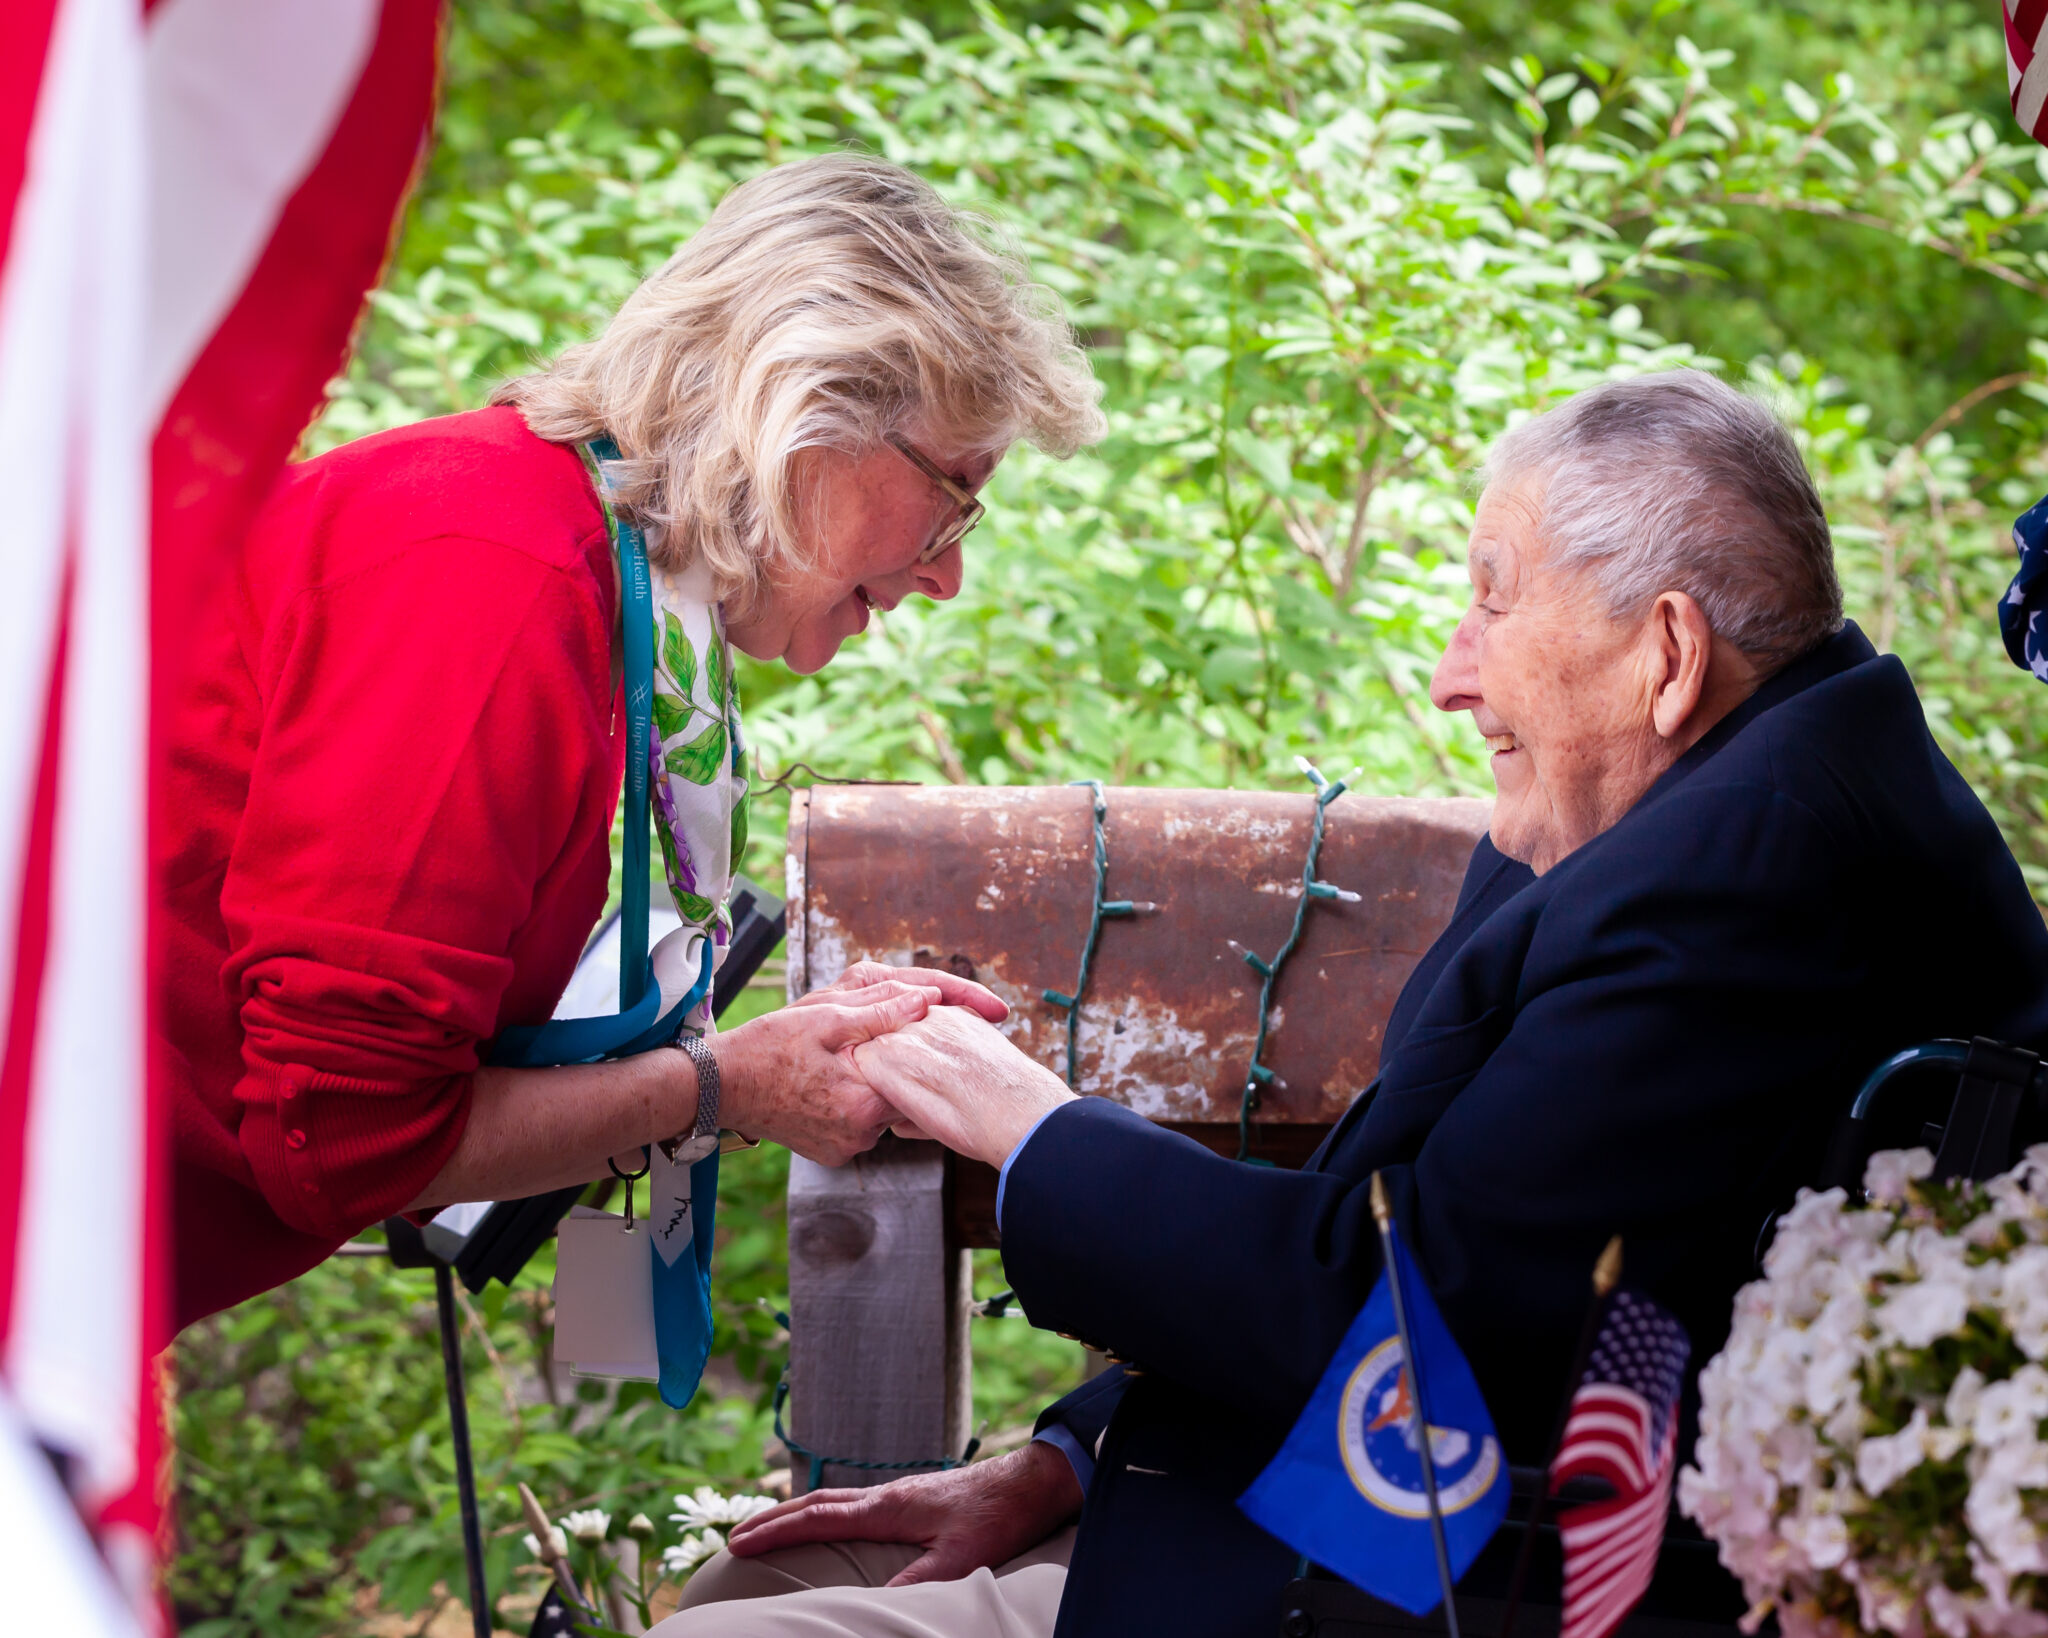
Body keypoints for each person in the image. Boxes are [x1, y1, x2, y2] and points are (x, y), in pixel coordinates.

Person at [653, 370, 2048, 1638]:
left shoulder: (1740, 872)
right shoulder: (1705, 798)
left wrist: (1036, 1132)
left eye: (1493, 601)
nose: (1453, 673)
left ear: (1667, 654)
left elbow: (1432, 1319)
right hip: (1340, 1510)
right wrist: (1068, 1456)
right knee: (748, 1575)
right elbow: (1404, 1204)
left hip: (1412, 1582)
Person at [164, 155, 1103, 1328]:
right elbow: (342, 1141)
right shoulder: (494, 572)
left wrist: (736, 1053)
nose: (948, 573)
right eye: (955, 496)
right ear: (798, 412)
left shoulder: (595, 582)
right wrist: (716, 1088)